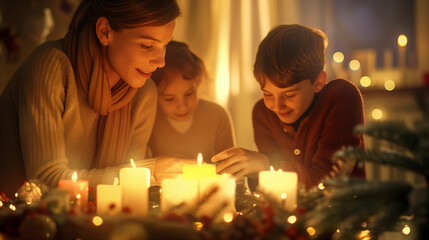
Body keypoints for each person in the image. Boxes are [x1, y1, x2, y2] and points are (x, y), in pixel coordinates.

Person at [0, 0, 186, 196]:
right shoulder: (51, 66)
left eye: (165, 45)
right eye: (147, 45)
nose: (161, 61)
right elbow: (44, 182)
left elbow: (128, 193)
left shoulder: (143, 93)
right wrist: (151, 172)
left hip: (87, 221)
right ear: (105, 31)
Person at [212, 24, 365, 189]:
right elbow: (268, 189)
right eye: (268, 94)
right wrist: (253, 170)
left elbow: (328, 182)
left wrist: (265, 166)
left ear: (318, 82)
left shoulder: (340, 97)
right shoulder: (263, 113)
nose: (277, 106)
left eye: (290, 94)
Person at [149, 40, 235, 164]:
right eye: (169, 99)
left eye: (189, 93)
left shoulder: (217, 116)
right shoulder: (150, 119)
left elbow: (230, 168)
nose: (182, 106)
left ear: (198, 83)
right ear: (154, 95)